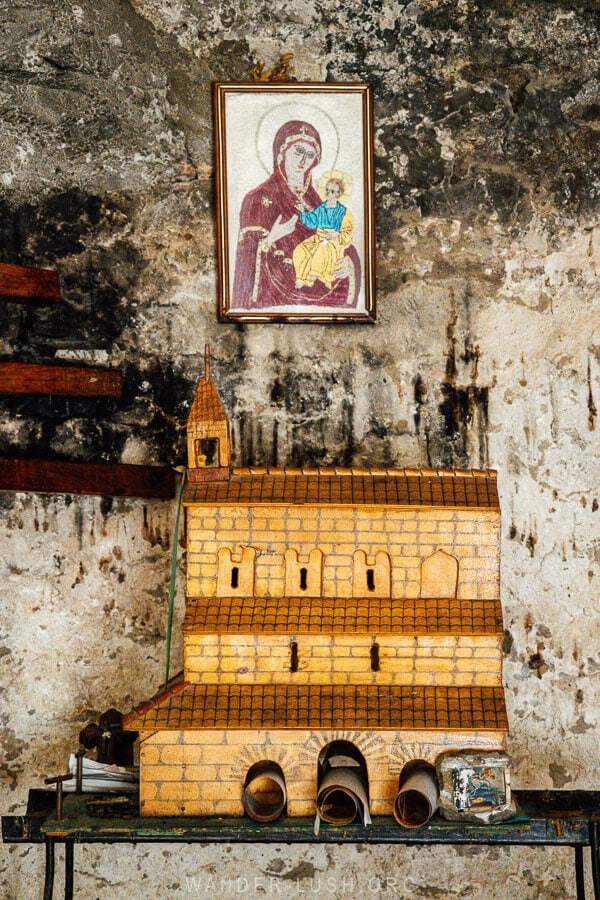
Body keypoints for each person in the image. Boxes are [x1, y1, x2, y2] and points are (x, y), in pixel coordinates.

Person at [231, 120, 360, 309]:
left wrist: (346, 264)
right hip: (276, 293)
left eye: (310, 155)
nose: (303, 161)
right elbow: (247, 258)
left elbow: (343, 244)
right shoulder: (259, 198)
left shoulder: (318, 203)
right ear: (282, 152)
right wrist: (272, 238)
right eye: (298, 151)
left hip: (320, 288)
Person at [292, 177, 354, 289]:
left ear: (338, 194)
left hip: (333, 241)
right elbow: (312, 222)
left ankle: (315, 274)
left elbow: (347, 232)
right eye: (327, 190)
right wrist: (302, 211)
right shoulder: (321, 208)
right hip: (318, 237)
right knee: (300, 250)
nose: (328, 193)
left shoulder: (343, 211)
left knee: (321, 249)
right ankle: (301, 277)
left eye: (332, 191)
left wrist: (335, 235)